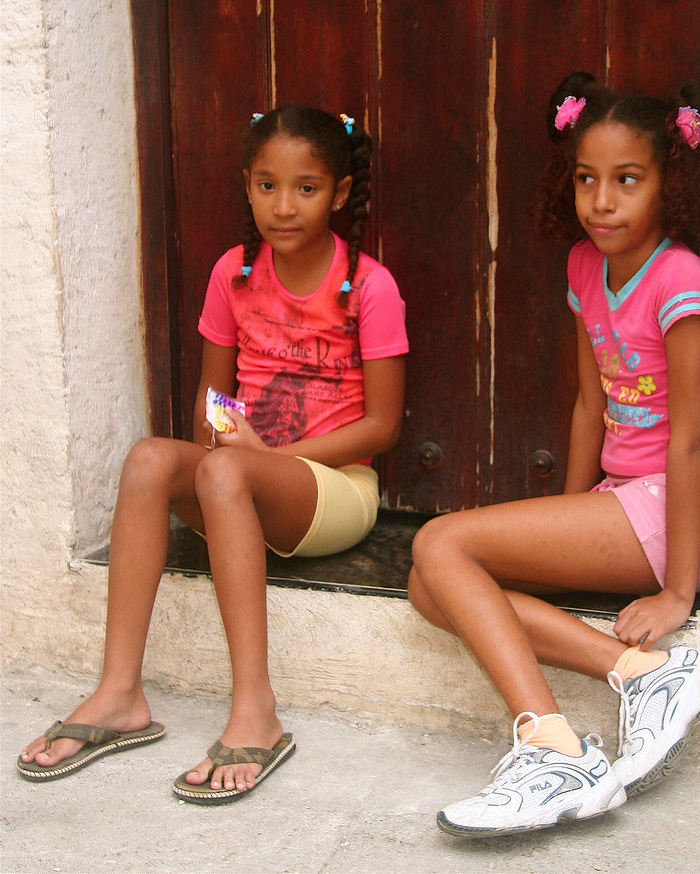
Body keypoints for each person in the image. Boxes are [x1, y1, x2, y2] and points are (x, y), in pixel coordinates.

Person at [18, 106, 409, 804]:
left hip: (331, 492)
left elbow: (381, 426)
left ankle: (255, 708)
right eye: (266, 186)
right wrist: (225, 441)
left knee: (226, 470)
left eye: (306, 188)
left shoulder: (367, 286)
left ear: (341, 193)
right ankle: (118, 693)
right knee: (147, 459)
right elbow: (212, 399)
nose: (282, 206)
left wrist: (274, 458)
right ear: (246, 187)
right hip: (241, 475)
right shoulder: (233, 273)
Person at [408, 73, 700, 838]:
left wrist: (678, 592)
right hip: (619, 502)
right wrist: (579, 499)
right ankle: (640, 675)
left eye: (626, 180)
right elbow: (592, 403)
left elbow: (687, 442)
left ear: (666, 183)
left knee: (439, 540)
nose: (601, 201)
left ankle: (552, 746)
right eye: (586, 179)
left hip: (677, 513)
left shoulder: (681, 283)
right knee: (432, 588)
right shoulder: (585, 268)